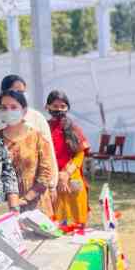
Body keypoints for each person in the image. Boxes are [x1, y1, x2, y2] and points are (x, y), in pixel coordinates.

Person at [0, 90, 55, 216]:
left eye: (13, 107)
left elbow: (46, 173)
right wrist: (12, 202)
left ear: (24, 110)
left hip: (37, 206)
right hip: (6, 207)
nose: (8, 111)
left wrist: (26, 199)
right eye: (4, 108)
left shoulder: (37, 137)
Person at [0, 74, 59, 198]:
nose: (21, 94)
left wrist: (52, 184)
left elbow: (49, 155)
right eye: (17, 91)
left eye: (23, 91)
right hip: (6, 195)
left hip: (38, 191)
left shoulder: (36, 118)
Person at [46, 90, 91, 227]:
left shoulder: (74, 128)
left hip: (73, 177)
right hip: (52, 179)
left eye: (62, 106)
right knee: (56, 221)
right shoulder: (44, 128)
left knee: (77, 219)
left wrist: (66, 173)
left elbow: (80, 153)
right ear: (47, 107)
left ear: (67, 108)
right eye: (55, 106)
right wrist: (57, 176)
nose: (59, 109)